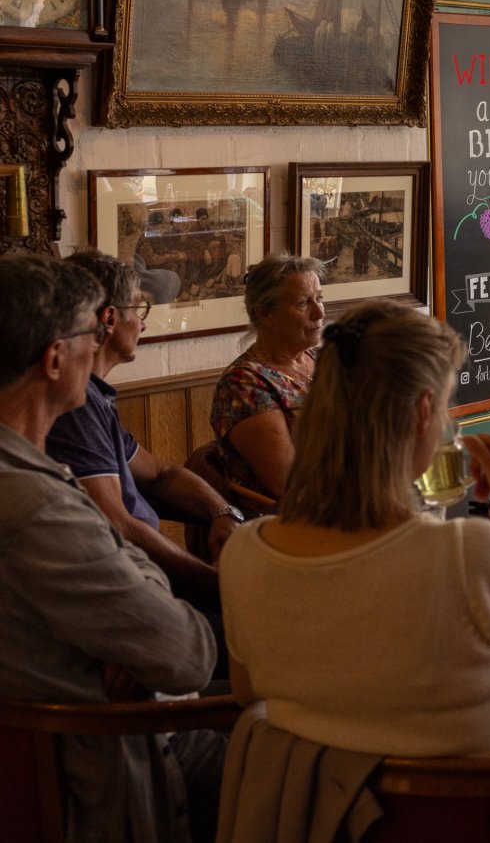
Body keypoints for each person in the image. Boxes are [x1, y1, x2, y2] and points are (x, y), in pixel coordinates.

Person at [218, 300, 490, 842]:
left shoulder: (244, 553)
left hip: (339, 821)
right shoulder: (470, 553)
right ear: (422, 412)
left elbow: (251, 692)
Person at [0, 255, 219, 843]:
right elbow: (186, 653)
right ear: (55, 359)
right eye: (89, 335)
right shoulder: (38, 505)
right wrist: (139, 616)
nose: (98, 345)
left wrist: (119, 638)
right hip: (96, 770)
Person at [47, 250, 244, 614]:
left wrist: (223, 512)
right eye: (139, 310)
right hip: (131, 594)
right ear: (109, 318)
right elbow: (117, 527)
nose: (143, 325)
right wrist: (218, 587)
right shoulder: (77, 407)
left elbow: (160, 474)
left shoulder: (92, 396)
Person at [209, 254, 325, 499]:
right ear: (265, 314)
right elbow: (288, 484)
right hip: (301, 513)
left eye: (319, 298)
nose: (319, 312)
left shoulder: (324, 361)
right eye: (303, 303)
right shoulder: (245, 383)